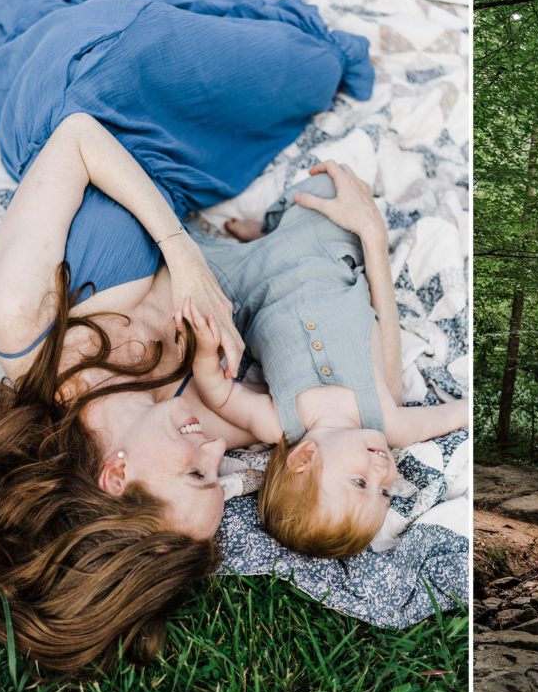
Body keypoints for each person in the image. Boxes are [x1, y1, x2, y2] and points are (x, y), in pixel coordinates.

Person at [0, 0, 373, 672]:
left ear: (116, 475)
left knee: (321, 59)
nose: (219, 457)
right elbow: (316, 422)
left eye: (196, 473)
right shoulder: (178, 409)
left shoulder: (24, 330)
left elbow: (77, 141)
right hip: (180, 169)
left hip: (99, 94)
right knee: (316, 75)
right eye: (221, 476)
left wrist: (183, 254)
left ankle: (105, 10)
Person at [176, 162, 468, 558]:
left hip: (254, 284)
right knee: (328, 186)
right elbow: (453, 415)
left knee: (186, 259)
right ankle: (264, 231)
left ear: (306, 457)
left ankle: (256, 238)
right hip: (322, 259)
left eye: (360, 482)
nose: (383, 473)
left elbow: (220, 394)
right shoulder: (390, 421)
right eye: (383, 491)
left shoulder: (277, 422)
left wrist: (208, 353)